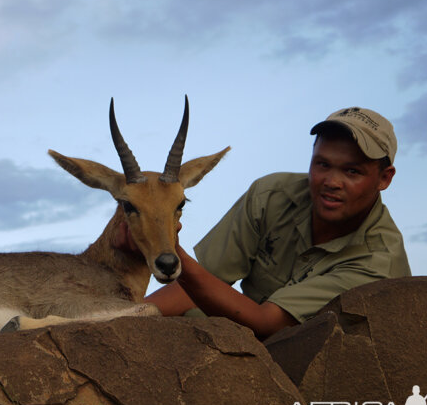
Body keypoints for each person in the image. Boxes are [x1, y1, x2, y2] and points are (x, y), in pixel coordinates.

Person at [143, 106, 411, 339]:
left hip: (324, 369)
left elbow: (266, 323)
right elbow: (199, 284)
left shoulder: (378, 262)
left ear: (384, 178)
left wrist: (167, 246)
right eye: (322, 165)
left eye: (352, 171)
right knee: (186, 317)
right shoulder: (271, 195)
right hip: (253, 337)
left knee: (196, 327)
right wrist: (124, 318)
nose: (331, 182)